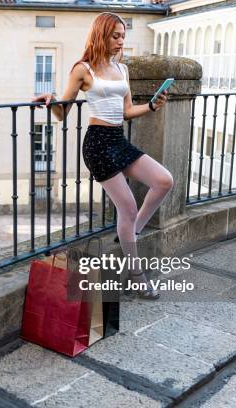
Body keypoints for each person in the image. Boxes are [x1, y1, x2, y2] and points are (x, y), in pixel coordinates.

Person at [32, 12, 172, 300]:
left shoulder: (122, 69)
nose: (121, 41)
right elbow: (62, 113)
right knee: (128, 207)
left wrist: (152, 107)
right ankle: (135, 275)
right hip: (97, 144)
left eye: (123, 36)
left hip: (118, 139)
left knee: (164, 180)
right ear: (101, 35)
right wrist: (50, 100)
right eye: (115, 35)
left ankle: (127, 236)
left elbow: (127, 111)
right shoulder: (82, 69)